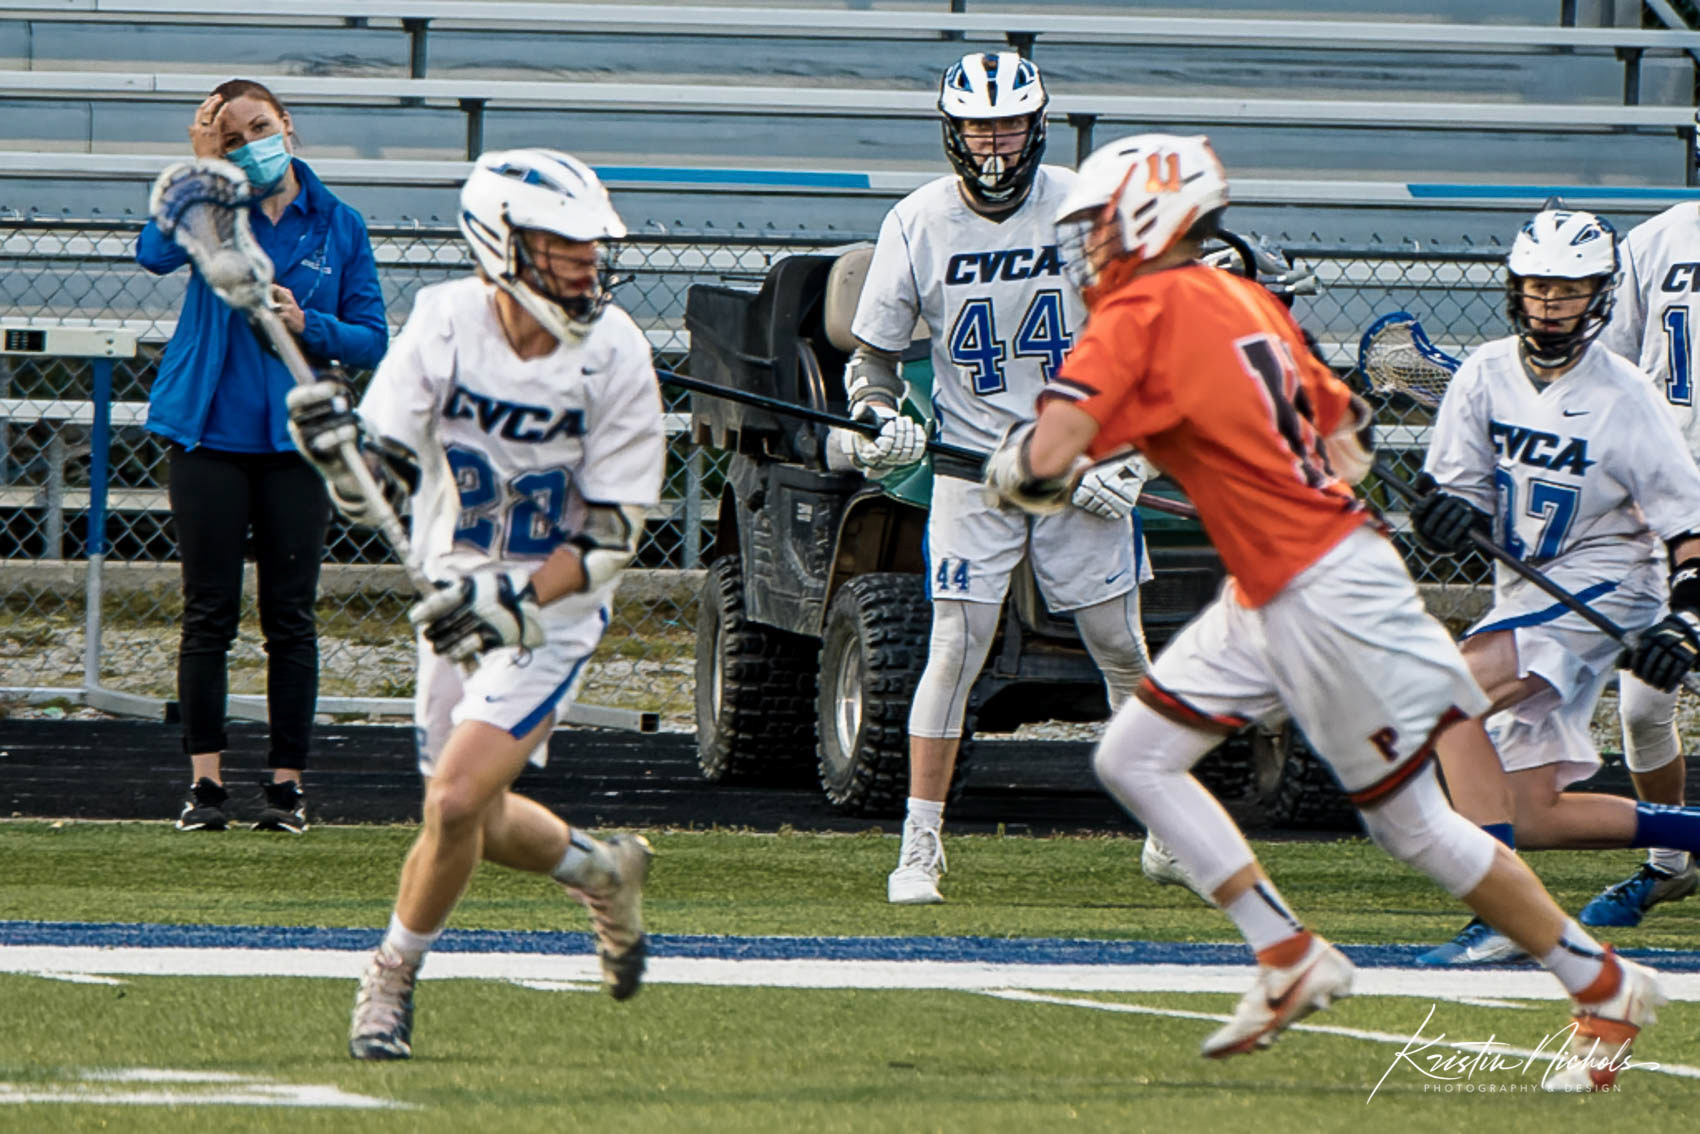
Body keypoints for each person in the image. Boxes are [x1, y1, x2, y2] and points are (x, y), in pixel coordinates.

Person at [984, 132, 1663, 1089]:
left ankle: (1603, 985)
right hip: (1291, 575)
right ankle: (1289, 954)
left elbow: (1046, 460)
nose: (1090, 243)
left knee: (1413, 827)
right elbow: (1345, 432)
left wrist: (1019, 469)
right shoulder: (1243, 298)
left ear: (1149, 216)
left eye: (1100, 222)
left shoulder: (1139, 310)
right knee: (1134, 755)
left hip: (1316, 589)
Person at [286, 149, 663, 1061]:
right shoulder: (446, 320)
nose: (586, 265)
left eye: (591, 247)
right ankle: (601, 869)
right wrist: (335, 453)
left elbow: (613, 536)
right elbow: (378, 483)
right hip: (449, 594)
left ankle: (390, 976)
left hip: (552, 609)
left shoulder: (616, 351)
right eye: (563, 246)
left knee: (454, 799)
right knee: (472, 816)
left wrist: (513, 602)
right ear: (502, 244)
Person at [838, 51, 1153, 905]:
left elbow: (1154, 345)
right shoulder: (918, 220)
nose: (994, 141)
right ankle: (920, 845)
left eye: (1009, 123)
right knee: (955, 645)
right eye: (979, 125)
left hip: (1078, 457)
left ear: (1036, 125)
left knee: (1118, 644)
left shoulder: (1086, 208)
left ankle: (1169, 821)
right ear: (952, 131)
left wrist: (1130, 456)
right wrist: (878, 416)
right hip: (972, 466)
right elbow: (873, 360)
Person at [1410, 206, 1700, 965]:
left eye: (1568, 290)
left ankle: (1507, 917)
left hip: (1610, 581)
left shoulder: (1626, 394)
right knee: (1528, 811)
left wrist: (1688, 620)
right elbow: (1455, 497)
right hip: (1526, 591)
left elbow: (1688, 526)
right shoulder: (1483, 374)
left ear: (1599, 296)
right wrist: (1443, 517)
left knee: (1446, 698)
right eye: (1538, 287)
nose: (1550, 304)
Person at [137, 77, 388, 834]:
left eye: (258, 128)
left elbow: (372, 337)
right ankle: (205, 787)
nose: (250, 145)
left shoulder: (338, 223)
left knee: (290, 616)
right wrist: (202, 167)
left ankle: (286, 789)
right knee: (208, 612)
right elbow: (153, 253)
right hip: (208, 435)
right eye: (231, 137)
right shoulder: (214, 205)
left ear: (287, 122)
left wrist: (310, 325)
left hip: (295, 445)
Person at [1580, 201, 1700, 927]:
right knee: (1643, 703)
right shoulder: (1660, 238)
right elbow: (1610, 365)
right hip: (1668, 494)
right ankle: (1670, 864)